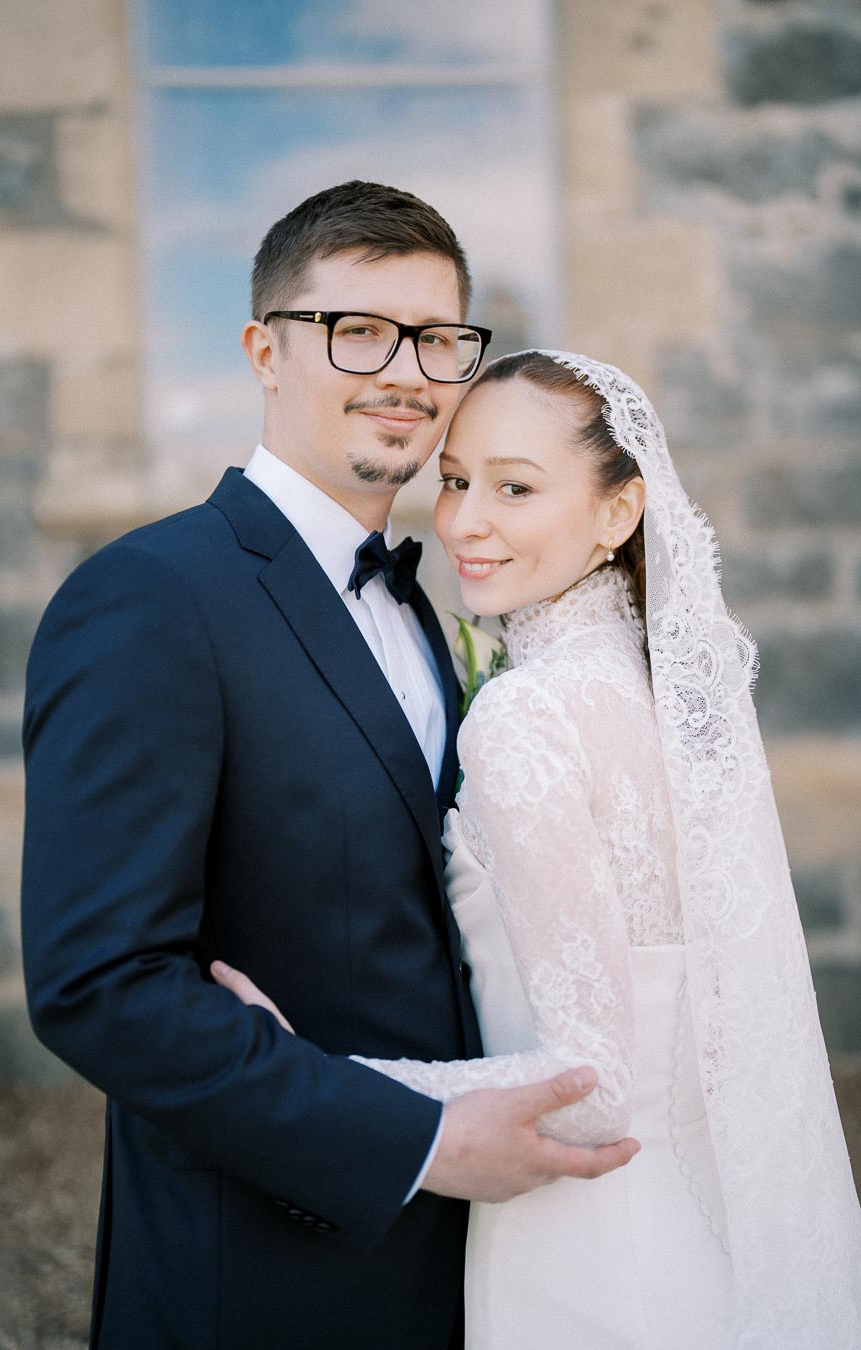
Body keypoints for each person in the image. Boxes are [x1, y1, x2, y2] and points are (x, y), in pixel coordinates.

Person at [20, 188, 637, 1350]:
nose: (406, 370)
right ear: (263, 349)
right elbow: (98, 984)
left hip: (466, 1270)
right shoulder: (149, 601)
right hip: (262, 1274)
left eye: (440, 339)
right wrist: (422, 1140)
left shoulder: (445, 612)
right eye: (357, 329)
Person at [214, 349, 861, 1349]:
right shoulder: (655, 703)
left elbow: (589, 1091)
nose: (466, 522)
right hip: (696, 1228)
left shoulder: (527, 717)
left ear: (618, 513)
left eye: (515, 488)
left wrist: (312, 1073)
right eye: (458, 481)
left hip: (590, 1257)